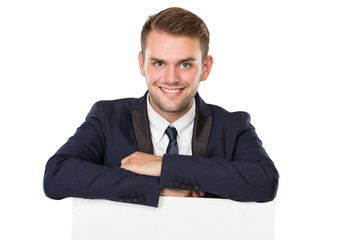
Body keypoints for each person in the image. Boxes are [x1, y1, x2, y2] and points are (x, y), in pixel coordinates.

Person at [43, 7, 279, 207]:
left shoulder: (233, 126)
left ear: (205, 68)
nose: (171, 78)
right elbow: (57, 175)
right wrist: (159, 187)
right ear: (141, 64)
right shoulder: (107, 118)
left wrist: (164, 166)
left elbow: (265, 181)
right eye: (158, 63)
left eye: (185, 64)